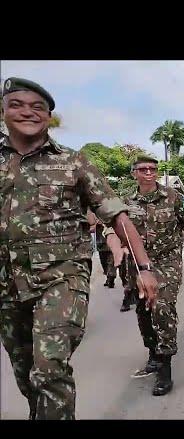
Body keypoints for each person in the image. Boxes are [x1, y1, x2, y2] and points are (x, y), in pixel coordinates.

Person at [0, 77, 158, 419]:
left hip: (62, 279)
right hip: (7, 284)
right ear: (4, 111)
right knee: (26, 373)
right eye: (17, 105)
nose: (27, 112)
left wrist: (144, 269)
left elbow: (116, 215)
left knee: (49, 368)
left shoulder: (74, 162)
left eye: (37, 107)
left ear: (49, 117)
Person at [106, 155, 184, 395]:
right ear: (134, 173)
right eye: (143, 169)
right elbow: (110, 227)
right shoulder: (125, 200)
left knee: (162, 307)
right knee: (144, 311)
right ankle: (153, 351)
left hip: (167, 263)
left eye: (153, 169)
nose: (148, 172)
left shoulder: (173, 197)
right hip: (137, 265)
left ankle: (165, 368)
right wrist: (116, 247)